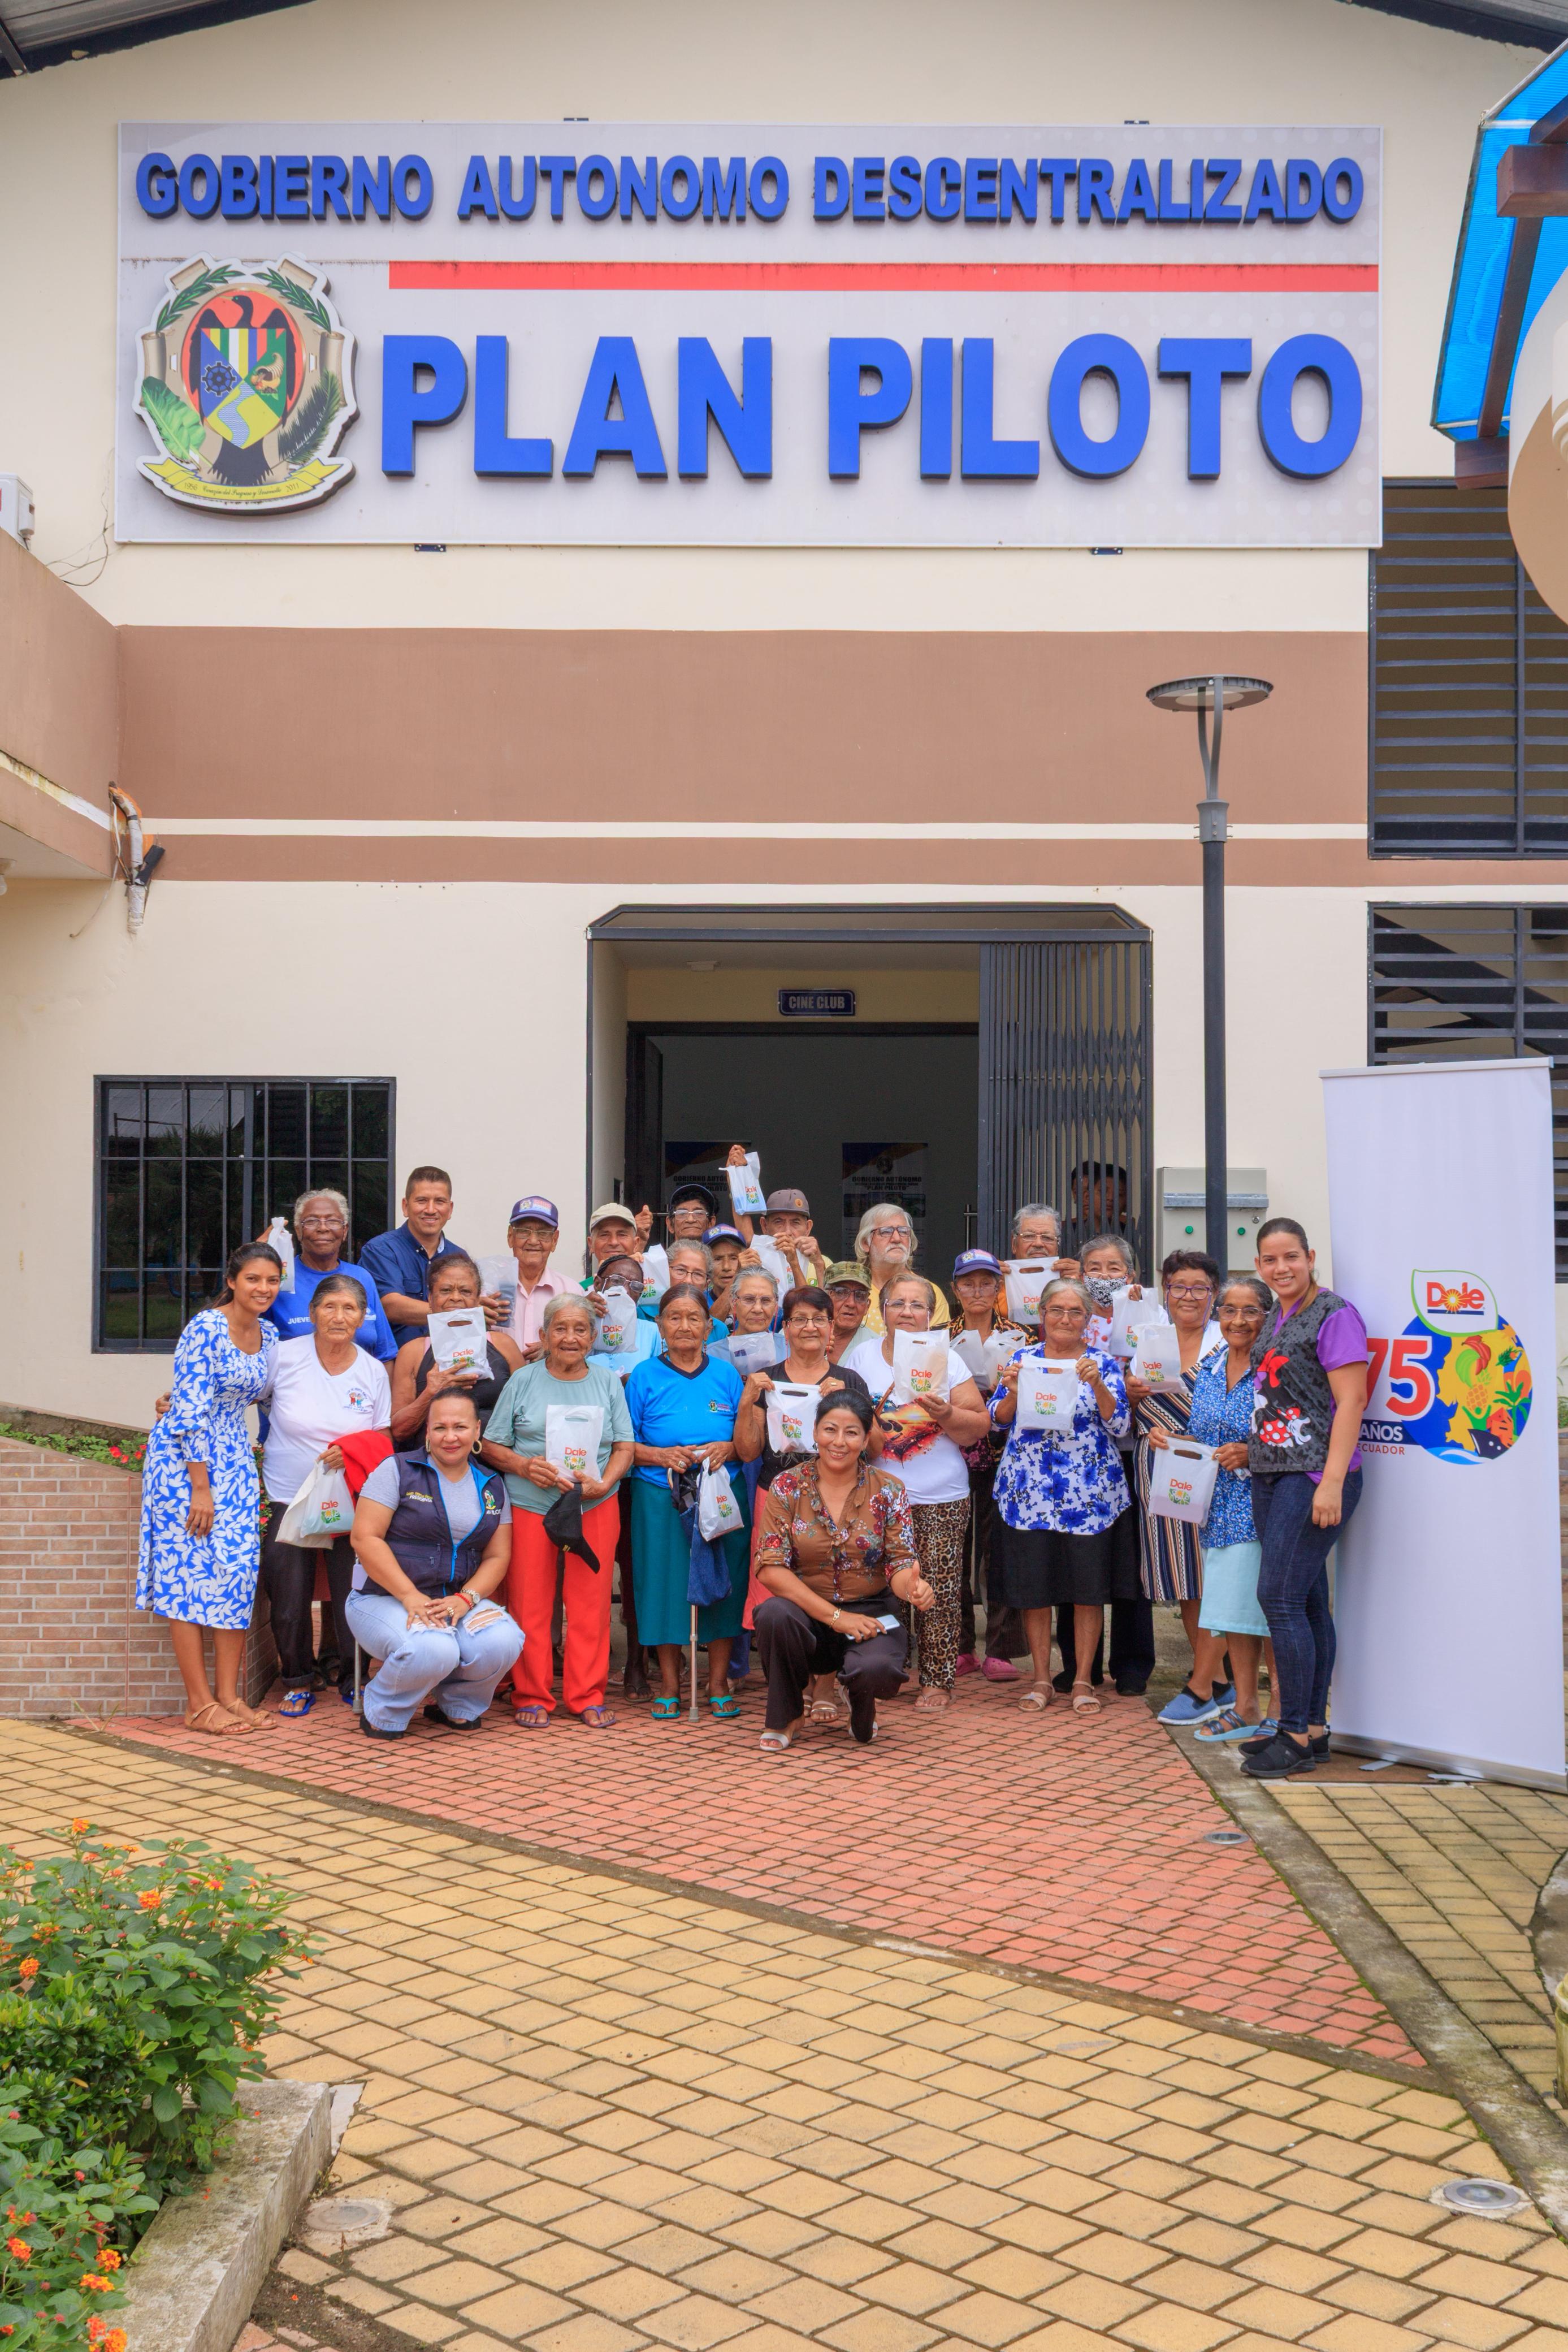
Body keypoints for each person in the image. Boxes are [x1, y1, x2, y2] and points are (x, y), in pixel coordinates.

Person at [1239, 1218, 1368, 1782]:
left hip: (1312, 1474)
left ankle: (1291, 1732)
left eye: (1290, 1256)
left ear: (1309, 1257)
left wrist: (1332, 1481)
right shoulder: (1275, 1316)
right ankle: (1312, 1729)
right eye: (1269, 1259)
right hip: (1271, 1473)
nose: (1281, 1267)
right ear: (1259, 1265)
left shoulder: (1335, 1314)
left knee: (1279, 1597)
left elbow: (1351, 1401)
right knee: (1308, 1600)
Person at [136, 1241, 283, 1736]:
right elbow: (190, 1413)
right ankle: (199, 1705)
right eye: (253, 1279)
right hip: (186, 1463)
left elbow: (268, 1395)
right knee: (188, 1575)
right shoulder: (205, 1329)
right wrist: (201, 1487)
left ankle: (229, 1697)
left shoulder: (269, 1333)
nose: (263, 1288)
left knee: (236, 1573)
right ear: (232, 1281)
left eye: (272, 1280)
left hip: (234, 1457)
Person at [481, 1293, 634, 1728]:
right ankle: (531, 1694)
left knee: (591, 1603)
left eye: (580, 1329)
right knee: (529, 1601)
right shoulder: (523, 1380)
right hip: (531, 1504)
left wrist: (605, 1482)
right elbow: (490, 1444)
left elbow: (624, 1446)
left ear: (593, 1335)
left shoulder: (607, 1382)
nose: (570, 1338)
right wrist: (524, 1466)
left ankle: (587, 1694)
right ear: (544, 1336)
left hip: (594, 1503)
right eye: (560, 1329)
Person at [753, 1389, 935, 1752]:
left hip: (871, 1612)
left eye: (852, 1432)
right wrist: (837, 1618)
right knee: (773, 1614)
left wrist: (913, 1588)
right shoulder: (787, 1486)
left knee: (878, 1671)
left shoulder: (889, 1490)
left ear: (866, 1439)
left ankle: (860, 1702)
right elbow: (770, 1567)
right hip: (805, 1612)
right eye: (830, 1430)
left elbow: (900, 1562)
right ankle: (788, 1715)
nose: (839, 1442)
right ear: (815, 1432)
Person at [844, 1274, 989, 1709]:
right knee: (880, 1588)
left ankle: (937, 1680)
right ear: (883, 1312)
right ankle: (888, 1670)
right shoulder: (862, 1357)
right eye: (898, 1304)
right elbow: (846, 1424)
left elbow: (978, 1426)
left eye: (917, 1305)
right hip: (877, 1497)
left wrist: (945, 1413)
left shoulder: (949, 1359)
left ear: (931, 1315)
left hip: (941, 1495)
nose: (907, 1312)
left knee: (939, 1590)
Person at [991, 1276, 1133, 1715]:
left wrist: (1100, 1386)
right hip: (1028, 1494)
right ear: (1043, 1315)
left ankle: (1083, 1679)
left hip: (1089, 1498)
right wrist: (1013, 1392)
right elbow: (997, 1419)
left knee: (1088, 1591)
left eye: (1076, 1312)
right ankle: (1041, 1679)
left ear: (1088, 1320)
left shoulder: (1102, 1363)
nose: (1066, 1319)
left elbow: (1121, 1426)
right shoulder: (1023, 1358)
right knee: (1035, 1589)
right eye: (1057, 1310)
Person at [733, 1285, 873, 1724]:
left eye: (818, 1319)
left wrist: (843, 1404)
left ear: (831, 1327)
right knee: (776, 1594)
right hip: (777, 1497)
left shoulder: (849, 1381)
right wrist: (747, 1400)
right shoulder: (766, 1379)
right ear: (786, 1327)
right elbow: (748, 1451)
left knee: (832, 1584)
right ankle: (788, 1692)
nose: (809, 1327)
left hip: (838, 1500)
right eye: (799, 1319)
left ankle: (826, 1685)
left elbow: (875, 1447)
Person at [346, 1389, 522, 1737]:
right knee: (432, 1647)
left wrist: (466, 1599)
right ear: (427, 1431)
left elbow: (498, 1556)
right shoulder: (398, 1470)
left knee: (503, 1640)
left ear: (477, 1430)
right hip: (383, 1598)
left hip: (453, 1601)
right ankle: (384, 1709)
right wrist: (409, 1595)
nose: (450, 1437)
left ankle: (457, 1704)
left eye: (460, 1427)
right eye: (440, 1427)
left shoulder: (492, 1485)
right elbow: (365, 1538)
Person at [1149, 1275, 1276, 1743]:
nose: (1238, 1321)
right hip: (1216, 1506)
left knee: (1267, 1612)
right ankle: (1246, 1707)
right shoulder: (1211, 1366)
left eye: (1250, 1311)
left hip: (1262, 1505)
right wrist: (1172, 1440)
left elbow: (1301, 1435)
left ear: (1268, 1317)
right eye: (1229, 1310)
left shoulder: (1276, 1367)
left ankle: (1281, 1713)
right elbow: (1207, 1436)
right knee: (1232, 1612)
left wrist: (1252, 1452)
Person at [259, 1274, 392, 1717]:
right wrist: (179, 1402)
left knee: (354, 1594)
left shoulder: (372, 1371)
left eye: (350, 1308)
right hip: (290, 1497)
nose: (339, 1316)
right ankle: (297, 1679)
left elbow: (383, 1439)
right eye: (330, 1306)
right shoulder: (283, 1356)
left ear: (363, 1317)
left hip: (350, 1501)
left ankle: (355, 1678)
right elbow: (242, 1396)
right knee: (288, 1595)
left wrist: (351, 1451)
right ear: (313, 1312)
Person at [625, 1285, 751, 1719]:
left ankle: (717, 1682)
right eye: (674, 1317)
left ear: (708, 1326)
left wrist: (728, 1448)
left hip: (721, 1490)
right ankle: (670, 1683)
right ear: (660, 1326)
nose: (684, 1326)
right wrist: (659, 1455)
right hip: (659, 1491)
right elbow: (624, 1443)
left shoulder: (726, 1375)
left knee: (724, 1580)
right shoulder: (644, 1376)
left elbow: (746, 1439)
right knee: (662, 1582)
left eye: (693, 1317)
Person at [1129, 1251, 1232, 1728]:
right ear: (1165, 1292)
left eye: (1199, 1288)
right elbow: (1131, 1411)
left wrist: (1192, 1436)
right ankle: (1217, 1684)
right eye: (1178, 1287)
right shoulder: (1150, 1341)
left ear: (1214, 1294)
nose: (1188, 1297)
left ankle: (1201, 1686)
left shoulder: (1226, 1343)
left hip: (1217, 1473)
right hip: (1162, 1472)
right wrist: (1134, 1403)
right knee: (1187, 1581)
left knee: (1219, 1580)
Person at [1063, 1233, 1156, 1697]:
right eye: (1094, 1268)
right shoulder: (1070, 1319)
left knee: (1130, 1560)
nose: (1104, 1277)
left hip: (1135, 1451)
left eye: (1114, 1268)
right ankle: (1078, 1665)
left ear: (1131, 1275)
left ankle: (1133, 1663)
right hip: (1081, 1458)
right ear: (1081, 1276)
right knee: (1079, 1559)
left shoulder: (1149, 1317)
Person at [947, 1250, 1028, 1681]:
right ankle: (959, 1645)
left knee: (1002, 1552)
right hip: (954, 1452)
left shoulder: (1021, 1336)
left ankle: (1001, 1649)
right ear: (955, 1289)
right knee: (955, 1549)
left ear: (998, 1288)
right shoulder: (940, 1338)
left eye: (986, 1283)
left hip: (1007, 1454)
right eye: (968, 1283)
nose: (977, 1291)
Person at [389, 1254, 524, 1452]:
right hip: (430, 1464)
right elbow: (399, 1431)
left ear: (478, 1300)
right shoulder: (413, 1351)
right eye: (445, 1290)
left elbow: (527, 1413)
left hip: (493, 1463)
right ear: (430, 1298)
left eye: (465, 1291)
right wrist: (431, 1392)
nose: (455, 1297)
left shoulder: (504, 1345)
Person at [362, 1166, 503, 1347]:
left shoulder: (460, 1258)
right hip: (396, 1360)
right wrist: (463, 1312)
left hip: (450, 1359)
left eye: (440, 1201)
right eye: (422, 1201)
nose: (430, 1210)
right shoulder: (381, 1250)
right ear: (405, 1206)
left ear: (450, 1209)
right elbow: (391, 1306)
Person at [263, 1190, 397, 1365]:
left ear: (345, 1230)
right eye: (312, 1221)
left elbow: (385, 1354)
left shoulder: (362, 1277)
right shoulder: (279, 1278)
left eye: (333, 1221)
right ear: (298, 1230)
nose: (323, 1228)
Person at [855, 1205, 951, 1333]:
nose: (897, 1239)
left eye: (904, 1231)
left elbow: (935, 1344)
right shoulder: (850, 1291)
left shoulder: (929, 1292)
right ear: (865, 1243)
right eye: (886, 1231)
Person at [501, 1196, 572, 1357]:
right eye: (524, 1232)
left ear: (555, 1240)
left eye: (543, 1233)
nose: (533, 1241)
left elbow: (582, 1343)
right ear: (510, 1237)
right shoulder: (488, 1288)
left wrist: (552, 1345)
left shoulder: (571, 1291)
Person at [1010, 1204, 1080, 1281]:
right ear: (1014, 1244)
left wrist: (1083, 1281)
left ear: (1057, 1247)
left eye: (1047, 1238)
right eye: (1029, 1236)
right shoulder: (1002, 1281)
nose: (1038, 1244)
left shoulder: (1074, 1279)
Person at [824, 1261, 872, 1361]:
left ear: (867, 1306)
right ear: (826, 1297)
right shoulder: (803, 1335)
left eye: (860, 1295)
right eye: (841, 1292)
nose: (851, 1304)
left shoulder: (876, 1348)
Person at [705, 1224, 746, 1324]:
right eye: (718, 1259)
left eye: (734, 1258)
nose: (726, 1267)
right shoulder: (698, 1301)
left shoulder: (760, 1301)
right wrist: (738, 1275)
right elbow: (710, 1328)